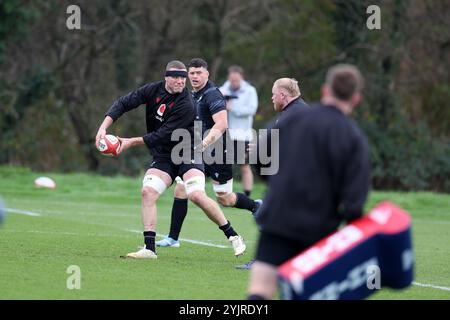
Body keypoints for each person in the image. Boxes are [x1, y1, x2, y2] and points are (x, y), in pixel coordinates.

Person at [95, 60, 246, 259]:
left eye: (183, 78)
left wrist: (130, 142)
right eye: (176, 77)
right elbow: (124, 102)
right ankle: (149, 249)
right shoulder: (153, 90)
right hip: (165, 156)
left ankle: (233, 235)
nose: (181, 81)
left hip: (187, 152)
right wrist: (103, 127)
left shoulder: (187, 104)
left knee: (196, 195)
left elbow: (162, 135)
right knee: (147, 192)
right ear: (166, 77)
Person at [247, 64, 371, 299]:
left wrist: (275, 180)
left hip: (277, 220)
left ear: (325, 90)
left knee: (260, 291)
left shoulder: (294, 119)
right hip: (318, 228)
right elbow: (354, 203)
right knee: (304, 292)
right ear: (356, 98)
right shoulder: (354, 138)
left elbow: (261, 156)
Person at [156, 58, 262, 248]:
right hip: (195, 151)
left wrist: (204, 143)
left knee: (224, 198)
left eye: (199, 73)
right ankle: (173, 238)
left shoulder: (213, 95)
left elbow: (222, 124)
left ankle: (255, 206)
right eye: (192, 73)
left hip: (218, 151)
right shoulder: (189, 94)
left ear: (207, 74)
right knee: (181, 187)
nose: (194, 76)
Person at [235, 77, 309, 270]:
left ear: (283, 95)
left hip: (295, 179)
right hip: (301, 178)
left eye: (274, 94)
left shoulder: (293, 114)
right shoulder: (299, 111)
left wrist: (260, 151)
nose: (271, 98)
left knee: (270, 216)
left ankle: (266, 261)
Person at [219, 66, 258, 197]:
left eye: (236, 80)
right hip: (226, 134)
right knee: (224, 165)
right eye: (231, 80)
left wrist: (233, 108)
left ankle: (247, 195)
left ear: (241, 78)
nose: (234, 82)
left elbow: (251, 110)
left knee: (244, 165)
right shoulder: (223, 90)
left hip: (243, 135)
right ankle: (225, 194)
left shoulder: (250, 91)